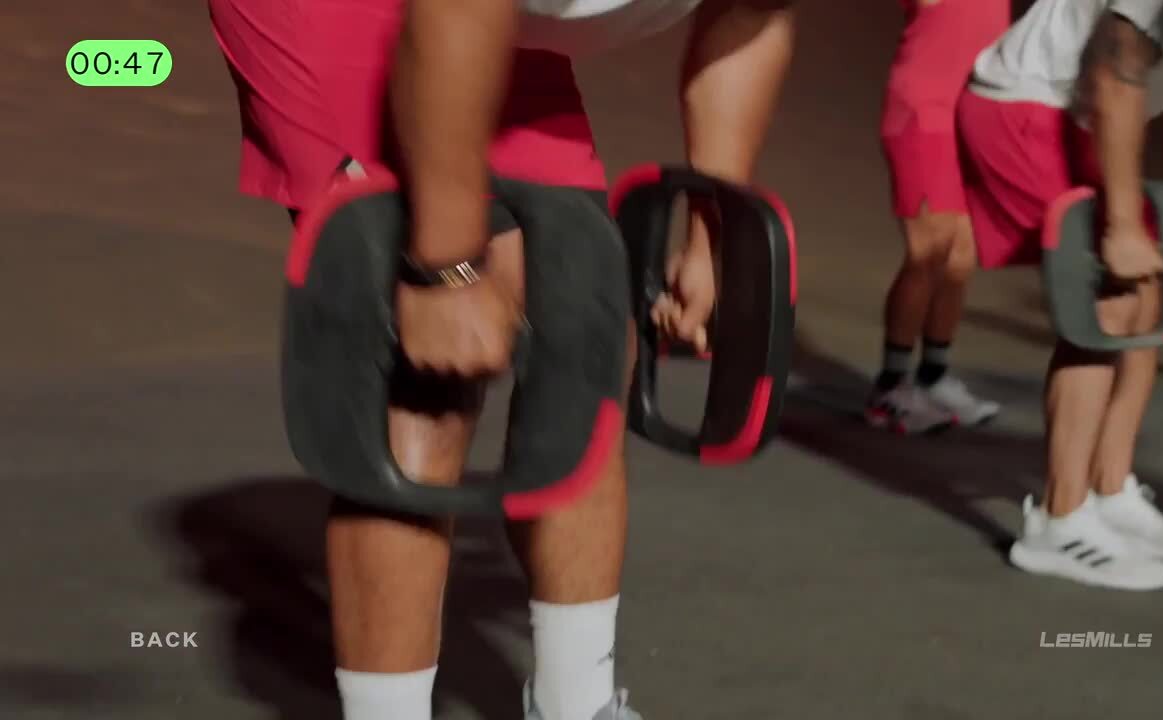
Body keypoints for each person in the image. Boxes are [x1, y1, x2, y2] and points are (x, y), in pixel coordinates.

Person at [207, 0, 795, 718]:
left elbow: (750, 16)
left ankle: (576, 704)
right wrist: (444, 270)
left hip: (488, 20)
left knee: (589, 331)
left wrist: (712, 231)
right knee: (427, 385)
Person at [957, 0, 1163, 590]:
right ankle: (1058, 522)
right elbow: (1114, 70)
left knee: (1150, 292)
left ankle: (1109, 490)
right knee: (1111, 298)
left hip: (1083, 111)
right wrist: (1122, 226)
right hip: (1025, 100)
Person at [868, 0, 1009, 434]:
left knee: (960, 255)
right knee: (928, 252)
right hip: (922, 112)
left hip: (967, 115)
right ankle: (890, 389)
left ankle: (933, 376)